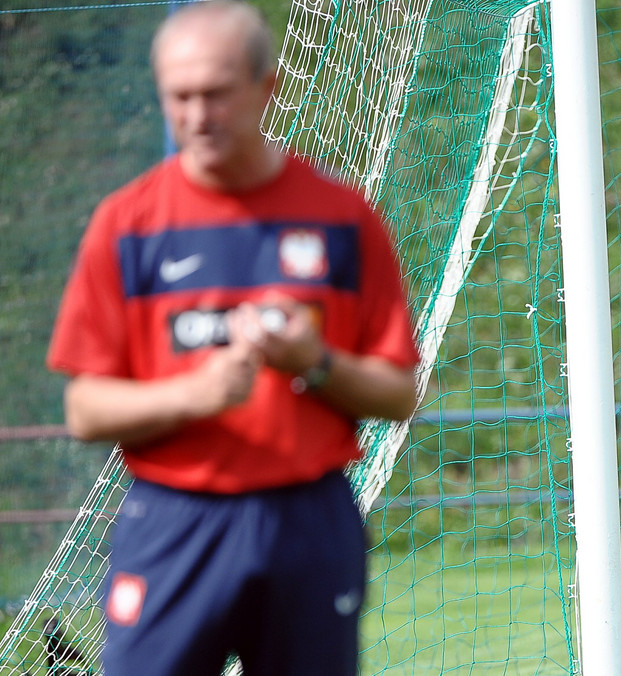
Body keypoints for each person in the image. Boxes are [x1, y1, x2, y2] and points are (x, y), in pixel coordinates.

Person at [45, 2, 420, 674]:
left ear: (267, 87)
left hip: (307, 519)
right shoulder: (126, 226)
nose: (196, 115)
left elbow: (398, 394)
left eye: (216, 92)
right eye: (179, 96)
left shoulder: (341, 219)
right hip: (173, 521)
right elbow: (85, 409)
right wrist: (196, 394)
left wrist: (315, 362)